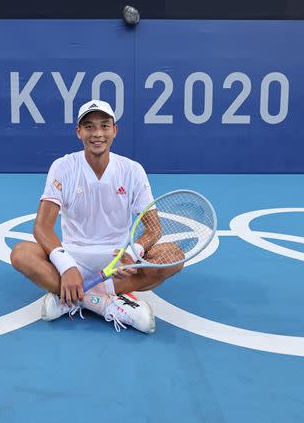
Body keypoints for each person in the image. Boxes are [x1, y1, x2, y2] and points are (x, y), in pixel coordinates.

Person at [10, 99, 183, 333]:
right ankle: (105, 302)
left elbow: (154, 229)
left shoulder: (132, 170)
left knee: (173, 255)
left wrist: (133, 252)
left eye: (104, 125)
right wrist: (66, 266)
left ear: (115, 130)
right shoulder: (63, 167)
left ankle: (73, 296)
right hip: (73, 259)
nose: (97, 133)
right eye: (89, 126)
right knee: (21, 254)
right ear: (78, 132)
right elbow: (42, 227)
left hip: (118, 264)